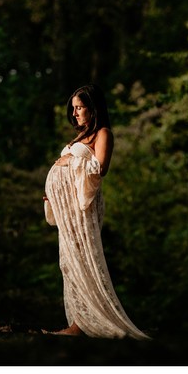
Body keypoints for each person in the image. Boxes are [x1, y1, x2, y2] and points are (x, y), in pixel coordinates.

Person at [42, 84, 149, 339]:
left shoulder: (103, 133)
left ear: (94, 108)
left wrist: (71, 161)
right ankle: (79, 320)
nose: (75, 113)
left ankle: (86, 323)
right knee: (68, 263)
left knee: (83, 260)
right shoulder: (80, 136)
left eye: (80, 107)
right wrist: (53, 192)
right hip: (67, 210)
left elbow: (100, 168)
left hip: (83, 208)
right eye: (74, 108)